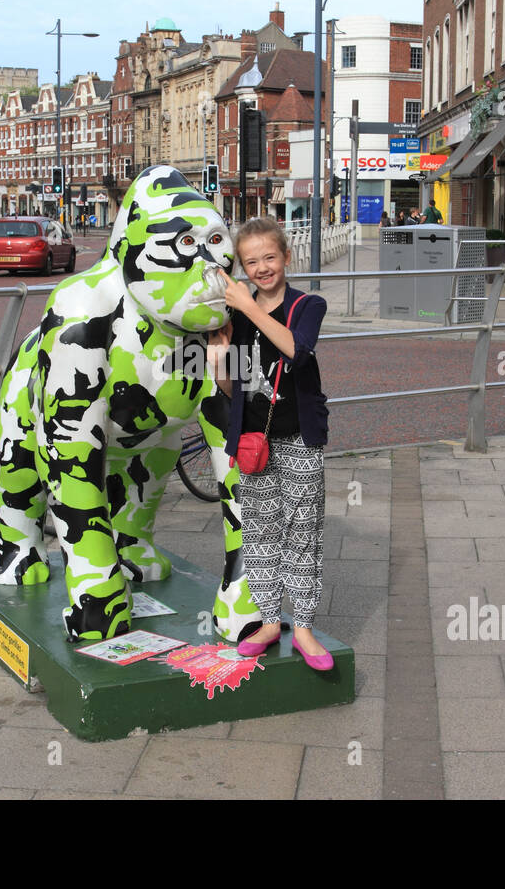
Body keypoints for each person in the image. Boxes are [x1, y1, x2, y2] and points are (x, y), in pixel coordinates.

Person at [208, 216, 332, 671]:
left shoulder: (307, 306)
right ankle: (267, 621)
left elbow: (297, 352)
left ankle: (302, 628)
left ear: (286, 257)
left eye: (269, 258)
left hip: (300, 435)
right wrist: (218, 361)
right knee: (260, 532)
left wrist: (248, 306)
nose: (261, 268)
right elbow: (233, 388)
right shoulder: (236, 317)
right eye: (251, 261)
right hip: (252, 441)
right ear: (241, 265)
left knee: (303, 530)